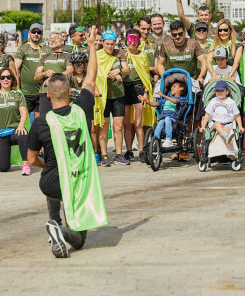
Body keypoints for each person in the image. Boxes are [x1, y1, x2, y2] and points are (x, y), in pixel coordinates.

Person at [27, 25, 105, 258]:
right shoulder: (81, 108)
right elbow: (90, 77)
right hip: (78, 181)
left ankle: (53, 221)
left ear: (48, 95)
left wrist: (48, 164)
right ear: (70, 92)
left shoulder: (41, 123)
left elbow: (31, 159)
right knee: (80, 241)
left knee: (53, 183)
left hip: (52, 182)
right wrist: (91, 47)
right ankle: (60, 228)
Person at [0, 68, 30, 174]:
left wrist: (21, 125)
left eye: (8, 77)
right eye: (3, 78)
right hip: (1, 133)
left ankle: (25, 165)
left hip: (14, 131)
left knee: (23, 134)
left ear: (12, 79)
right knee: (3, 168)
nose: (5, 80)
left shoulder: (17, 94)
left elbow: (23, 112)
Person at [94, 30, 130, 166]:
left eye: (112, 44)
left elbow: (127, 69)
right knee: (104, 127)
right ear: (102, 43)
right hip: (103, 96)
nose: (109, 47)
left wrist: (118, 71)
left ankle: (119, 154)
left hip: (118, 94)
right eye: (107, 44)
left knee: (118, 126)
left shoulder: (119, 53)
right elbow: (92, 73)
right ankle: (104, 156)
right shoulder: (97, 55)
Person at [122, 28, 154, 163]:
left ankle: (141, 150)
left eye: (135, 39)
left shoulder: (142, 56)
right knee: (126, 123)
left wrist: (146, 92)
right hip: (124, 89)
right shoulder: (122, 55)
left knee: (138, 123)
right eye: (130, 39)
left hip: (137, 89)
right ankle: (129, 151)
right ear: (126, 40)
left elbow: (146, 75)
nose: (132, 42)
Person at [14, 23, 50, 119]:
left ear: (42, 34)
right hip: (26, 92)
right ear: (29, 33)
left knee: (39, 121)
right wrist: (17, 88)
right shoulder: (23, 49)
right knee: (24, 120)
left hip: (42, 91)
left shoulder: (47, 49)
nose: (36, 34)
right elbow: (15, 69)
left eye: (38, 32)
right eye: (34, 32)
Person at [155, 20, 208, 85]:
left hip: (190, 81)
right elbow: (160, 64)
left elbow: (204, 61)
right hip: (172, 81)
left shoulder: (193, 43)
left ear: (185, 32)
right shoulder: (166, 44)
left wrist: (201, 76)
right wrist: (164, 77)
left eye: (180, 34)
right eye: (174, 35)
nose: (177, 36)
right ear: (171, 34)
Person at [200, 80, 242, 157]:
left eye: (221, 91)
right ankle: (227, 138)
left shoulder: (231, 102)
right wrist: (203, 126)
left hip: (228, 124)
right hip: (215, 123)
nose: (219, 93)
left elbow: (237, 116)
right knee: (217, 124)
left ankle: (231, 150)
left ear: (227, 91)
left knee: (226, 131)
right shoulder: (213, 101)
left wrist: (240, 127)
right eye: (217, 91)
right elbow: (207, 114)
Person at [35, 32, 72, 116]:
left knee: (62, 119)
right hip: (45, 93)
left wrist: (54, 77)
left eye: (55, 38)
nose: (52, 40)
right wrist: (44, 73)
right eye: (50, 39)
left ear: (62, 41)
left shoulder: (67, 56)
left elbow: (70, 70)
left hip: (61, 93)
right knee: (45, 121)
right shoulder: (44, 57)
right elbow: (36, 76)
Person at [143, 81, 187, 147]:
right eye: (171, 86)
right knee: (160, 122)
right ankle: (156, 139)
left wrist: (163, 95)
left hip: (174, 119)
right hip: (163, 118)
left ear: (181, 88)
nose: (172, 87)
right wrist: (146, 100)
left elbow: (175, 101)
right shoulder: (165, 100)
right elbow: (154, 104)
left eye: (174, 86)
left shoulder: (181, 99)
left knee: (167, 119)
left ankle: (169, 140)